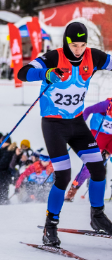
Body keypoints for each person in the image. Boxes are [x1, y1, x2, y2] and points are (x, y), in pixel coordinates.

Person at [17, 21, 112, 244]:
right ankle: (50, 226)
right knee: (64, 176)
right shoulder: (53, 57)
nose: (78, 49)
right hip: (54, 125)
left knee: (98, 170)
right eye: (74, 45)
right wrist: (46, 74)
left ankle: (97, 216)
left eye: (82, 45)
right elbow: (23, 72)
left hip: (77, 124)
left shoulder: (93, 57)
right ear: (66, 42)